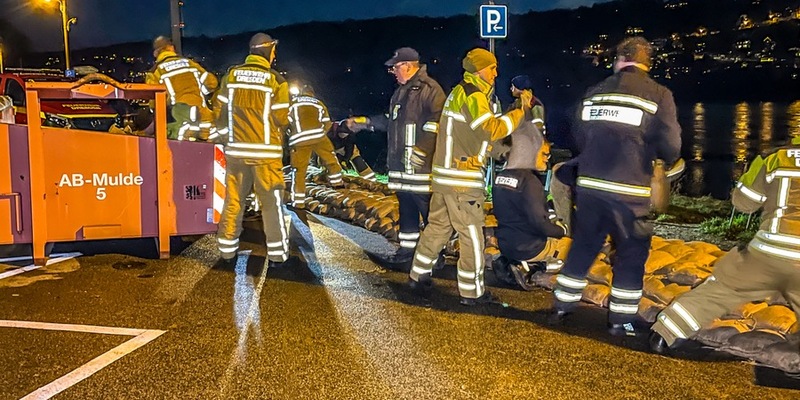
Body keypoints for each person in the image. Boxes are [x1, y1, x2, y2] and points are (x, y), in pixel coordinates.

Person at [549, 37, 682, 336]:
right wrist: (656, 159)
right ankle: (620, 320)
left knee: (583, 247)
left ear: (618, 61)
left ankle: (561, 306)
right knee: (631, 253)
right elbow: (671, 145)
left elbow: (578, 135)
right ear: (646, 63)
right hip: (630, 191)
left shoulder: (596, 92)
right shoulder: (659, 95)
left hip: (591, 186)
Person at [407, 47, 532, 306]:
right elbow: (490, 129)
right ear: (479, 70)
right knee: (472, 235)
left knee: (438, 228)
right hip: (462, 180)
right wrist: (520, 111)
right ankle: (473, 293)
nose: (496, 73)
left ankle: (417, 276)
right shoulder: (474, 95)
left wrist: (496, 152)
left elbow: (472, 134)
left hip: (444, 177)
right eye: (492, 68)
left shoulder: (459, 92)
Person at [650, 144, 800, 356]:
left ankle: (664, 334)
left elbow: (743, 203)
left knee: (720, 290)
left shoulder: (776, 158)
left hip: (767, 251)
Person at [213, 33, 291, 267]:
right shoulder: (276, 80)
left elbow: (219, 111)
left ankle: (227, 252)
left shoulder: (231, 75)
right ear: (268, 52)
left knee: (234, 201)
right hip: (265, 155)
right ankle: (277, 256)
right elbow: (281, 118)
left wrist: (228, 135)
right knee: (271, 203)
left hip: (236, 152)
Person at [363, 47, 446, 261]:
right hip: (402, 169)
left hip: (420, 169)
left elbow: (437, 124)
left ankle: (434, 257)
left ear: (408, 66)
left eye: (396, 68)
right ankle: (407, 252)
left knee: (429, 214)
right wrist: (366, 122)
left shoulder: (430, 90)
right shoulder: (401, 91)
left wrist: (422, 151)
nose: (393, 72)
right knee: (407, 212)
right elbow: (391, 121)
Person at [492, 126, 568, 290]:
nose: (547, 159)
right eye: (543, 154)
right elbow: (540, 224)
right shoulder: (530, 182)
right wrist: (561, 230)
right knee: (571, 248)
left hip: (506, 242)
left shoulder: (501, 176)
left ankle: (512, 262)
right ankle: (535, 269)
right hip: (530, 247)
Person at [146, 36, 218, 141]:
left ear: (156, 53)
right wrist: (200, 93)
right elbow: (212, 83)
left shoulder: (155, 72)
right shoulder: (190, 63)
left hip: (179, 123)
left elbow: (154, 104)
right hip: (203, 119)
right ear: (171, 48)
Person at [287, 85, 344, 209]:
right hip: (319, 137)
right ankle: (337, 184)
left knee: (299, 170)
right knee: (331, 159)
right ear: (312, 93)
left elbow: (286, 120)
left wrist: (292, 133)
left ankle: (298, 202)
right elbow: (327, 122)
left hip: (300, 139)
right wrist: (321, 133)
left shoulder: (293, 103)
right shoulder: (319, 103)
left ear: (302, 93)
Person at [326, 117, 376, 181]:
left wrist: (346, 159)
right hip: (331, 149)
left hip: (344, 147)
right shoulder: (329, 133)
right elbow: (327, 148)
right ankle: (329, 178)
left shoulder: (350, 135)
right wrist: (339, 158)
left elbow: (350, 147)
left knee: (358, 160)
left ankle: (371, 179)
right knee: (329, 162)